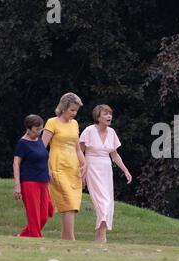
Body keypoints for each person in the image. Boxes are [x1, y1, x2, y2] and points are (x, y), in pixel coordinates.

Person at [80, 105, 132, 243]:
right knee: (103, 201)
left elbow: (115, 156)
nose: (109, 116)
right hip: (92, 166)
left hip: (106, 169)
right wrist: (82, 172)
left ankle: (100, 235)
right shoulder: (89, 131)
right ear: (98, 116)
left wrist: (125, 170)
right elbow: (79, 152)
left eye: (110, 114)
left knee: (108, 201)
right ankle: (101, 235)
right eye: (105, 114)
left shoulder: (112, 132)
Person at [42, 92, 86, 241]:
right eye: (72, 110)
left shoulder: (74, 124)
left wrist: (84, 164)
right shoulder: (52, 122)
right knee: (69, 204)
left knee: (72, 206)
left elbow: (77, 148)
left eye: (76, 110)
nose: (74, 113)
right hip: (57, 167)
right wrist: (46, 168)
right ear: (63, 107)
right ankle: (72, 240)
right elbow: (42, 148)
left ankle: (64, 240)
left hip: (73, 168)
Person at [13, 115, 53, 238]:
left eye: (41, 129)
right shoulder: (22, 143)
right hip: (29, 182)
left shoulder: (39, 140)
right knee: (34, 216)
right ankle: (36, 239)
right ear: (28, 128)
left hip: (43, 181)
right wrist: (17, 186)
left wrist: (49, 170)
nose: (39, 132)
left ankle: (22, 236)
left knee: (45, 215)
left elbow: (44, 157)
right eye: (37, 129)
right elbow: (16, 163)